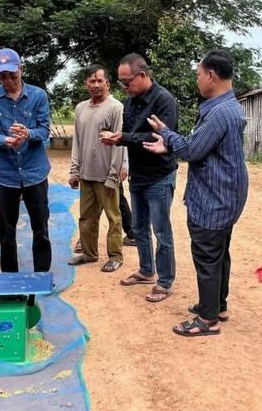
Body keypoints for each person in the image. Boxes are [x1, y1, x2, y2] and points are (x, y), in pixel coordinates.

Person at [144, 49, 248, 336]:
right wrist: (171, 141)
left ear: (211, 76)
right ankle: (217, 305)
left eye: (199, 74)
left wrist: (166, 133)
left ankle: (207, 320)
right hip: (227, 195)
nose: (198, 79)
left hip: (214, 198)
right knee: (219, 254)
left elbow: (191, 150)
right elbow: (200, 147)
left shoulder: (218, 113)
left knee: (206, 255)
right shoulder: (229, 108)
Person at [99, 53, 179, 303]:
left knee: (161, 230)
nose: (124, 87)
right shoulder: (131, 101)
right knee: (138, 228)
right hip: (138, 176)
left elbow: (160, 139)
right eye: (122, 82)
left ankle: (165, 281)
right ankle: (146, 270)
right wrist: (120, 138)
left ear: (142, 75)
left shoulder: (164, 101)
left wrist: (122, 137)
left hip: (159, 176)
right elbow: (133, 135)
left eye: (127, 81)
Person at [0, 48, 52, 278]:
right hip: (6, 174)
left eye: (12, 74)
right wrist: (5, 140)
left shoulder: (38, 96)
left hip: (35, 172)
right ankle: (10, 277)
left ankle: (41, 274)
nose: (8, 81)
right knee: (6, 229)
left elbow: (44, 131)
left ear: (21, 69)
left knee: (40, 227)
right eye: (3, 76)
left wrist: (28, 134)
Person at [68, 65, 125, 272]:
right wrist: (74, 171)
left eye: (100, 81)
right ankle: (89, 253)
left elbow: (120, 142)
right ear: (86, 84)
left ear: (107, 83)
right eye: (92, 81)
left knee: (113, 217)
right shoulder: (81, 108)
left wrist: (113, 175)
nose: (96, 85)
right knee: (86, 217)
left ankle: (116, 256)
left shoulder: (115, 107)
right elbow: (77, 142)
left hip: (106, 175)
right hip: (86, 174)